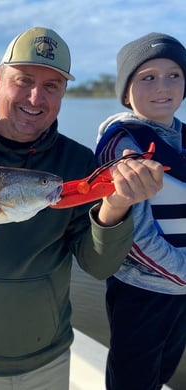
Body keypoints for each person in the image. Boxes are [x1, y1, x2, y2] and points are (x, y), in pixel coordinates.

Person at [0, 27, 164, 390]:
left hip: (47, 361)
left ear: (64, 93)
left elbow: (98, 265)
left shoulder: (75, 161)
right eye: (23, 81)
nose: (36, 98)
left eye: (52, 86)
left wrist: (115, 207)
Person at [95, 32, 186, 390]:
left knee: (165, 369)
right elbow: (134, 237)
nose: (162, 86)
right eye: (147, 77)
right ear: (127, 90)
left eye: (174, 75)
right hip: (142, 289)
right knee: (132, 380)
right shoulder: (122, 146)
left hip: (180, 289)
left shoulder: (181, 136)